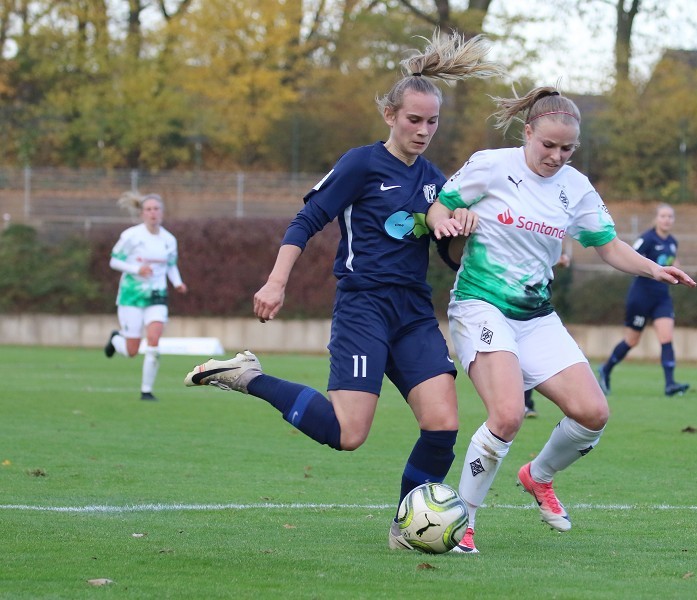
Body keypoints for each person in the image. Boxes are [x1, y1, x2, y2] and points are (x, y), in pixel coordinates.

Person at [182, 31, 503, 550]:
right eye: (413, 120)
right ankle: (249, 376)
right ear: (390, 116)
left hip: (414, 311)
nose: (423, 131)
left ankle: (407, 529)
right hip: (364, 307)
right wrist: (276, 280)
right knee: (349, 434)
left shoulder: (436, 181)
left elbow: (449, 255)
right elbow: (308, 218)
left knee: (443, 424)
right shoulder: (361, 163)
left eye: (432, 122)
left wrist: (460, 229)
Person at [427, 86, 696, 554]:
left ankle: (539, 475)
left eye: (566, 148)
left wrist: (654, 269)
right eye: (547, 145)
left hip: (536, 315)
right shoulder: (491, 164)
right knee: (507, 415)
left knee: (593, 413)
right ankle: (462, 525)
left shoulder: (576, 187)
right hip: (480, 304)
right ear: (527, 132)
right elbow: (441, 204)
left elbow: (608, 245)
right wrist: (446, 221)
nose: (556, 156)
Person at [597, 203, 690, 397]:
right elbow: (632, 256)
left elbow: (672, 262)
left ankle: (670, 384)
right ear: (656, 219)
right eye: (663, 216)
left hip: (662, 297)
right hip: (641, 297)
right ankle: (606, 369)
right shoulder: (647, 239)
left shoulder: (673, 242)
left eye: (670, 217)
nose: (667, 220)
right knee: (632, 340)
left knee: (666, 337)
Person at [104, 192, 188, 401]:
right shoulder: (131, 236)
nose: (153, 213)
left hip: (157, 296)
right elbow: (114, 261)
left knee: (154, 339)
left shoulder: (169, 240)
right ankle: (116, 340)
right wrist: (136, 269)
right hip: (131, 296)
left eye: (156, 209)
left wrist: (177, 283)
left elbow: (170, 266)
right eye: (149, 209)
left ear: (162, 213)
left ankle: (146, 391)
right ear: (142, 213)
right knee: (132, 350)